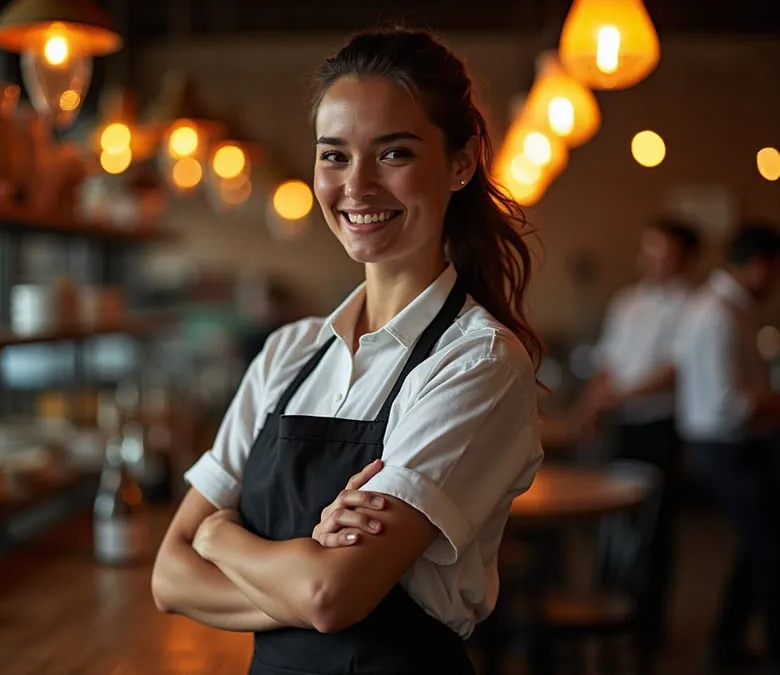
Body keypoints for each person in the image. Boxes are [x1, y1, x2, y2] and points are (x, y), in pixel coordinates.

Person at [151, 28, 544, 675]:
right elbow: (169, 575)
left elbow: (333, 595)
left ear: (461, 162)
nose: (356, 185)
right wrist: (302, 572)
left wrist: (220, 535)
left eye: (393, 153)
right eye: (334, 155)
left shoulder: (477, 362)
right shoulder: (288, 352)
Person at [573, 216, 702, 648]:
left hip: (660, 426)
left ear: (684, 257)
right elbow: (608, 361)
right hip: (623, 424)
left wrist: (619, 397)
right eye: (648, 250)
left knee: (655, 525)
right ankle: (609, 613)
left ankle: (649, 626)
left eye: (662, 252)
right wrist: (593, 407)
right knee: (614, 523)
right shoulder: (628, 301)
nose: (652, 260)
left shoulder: (692, 306)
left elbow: (674, 371)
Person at [673, 223, 780, 674]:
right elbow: (729, 404)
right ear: (758, 267)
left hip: (730, 447)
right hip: (727, 450)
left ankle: (725, 644)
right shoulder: (717, 312)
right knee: (772, 550)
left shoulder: (722, 306)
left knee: (756, 548)